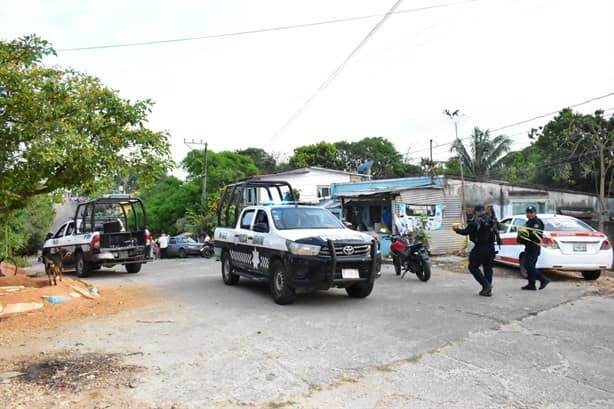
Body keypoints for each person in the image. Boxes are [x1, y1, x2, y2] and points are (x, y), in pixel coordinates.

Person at [453, 205, 501, 296]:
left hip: (480, 248)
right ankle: (488, 289)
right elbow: (499, 229)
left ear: (477, 212)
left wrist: (456, 230)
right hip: (491, 247)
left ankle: (486, 285)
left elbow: (465, 232)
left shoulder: (475, 221)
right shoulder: (492, 220)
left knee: (472, 266)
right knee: (488, 267)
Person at [518, 206, 549, 290]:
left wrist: (524, 233)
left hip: (534, 247)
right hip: (529, 246)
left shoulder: (536, 222)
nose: (529, 214)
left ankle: (543, 279)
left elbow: (536, 235)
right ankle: (531, 284)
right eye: (528, 212)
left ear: (535, 213)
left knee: (528, 265)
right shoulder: (529, 222)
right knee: (530, 266)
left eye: (531, 212)